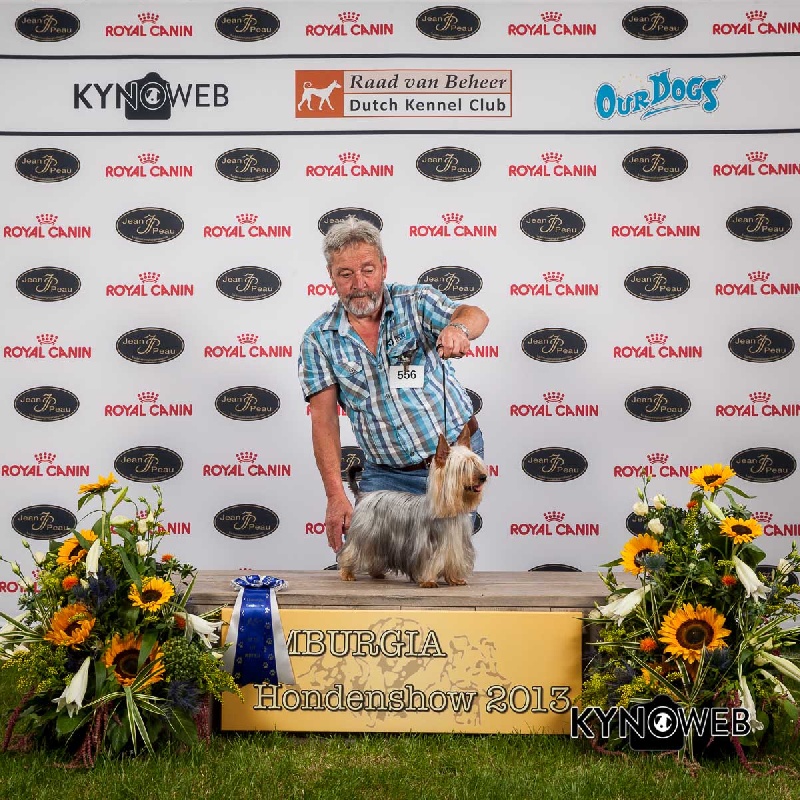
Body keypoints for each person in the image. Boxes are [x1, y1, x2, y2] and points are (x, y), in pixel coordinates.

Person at [298, 217, 489, 553]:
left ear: (384, 267)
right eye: (346, 274)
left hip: (449, 463)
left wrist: (457, 329)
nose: (359, 284)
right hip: (384, 475)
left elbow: (475, 315)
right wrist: (335, 494)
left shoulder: (416, 302)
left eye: (368, 270)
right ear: (331, 276)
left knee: (441, 564)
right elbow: (324, 421)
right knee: (368, 566)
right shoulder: (318, 339)